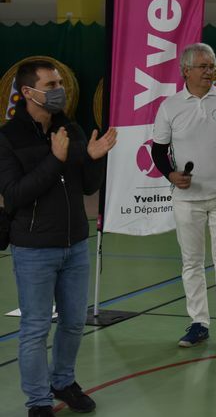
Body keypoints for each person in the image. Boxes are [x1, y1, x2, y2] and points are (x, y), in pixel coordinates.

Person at [0, 59, 117, 417]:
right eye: (51, 85)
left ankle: (63, 381)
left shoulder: (72, 128)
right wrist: (54, 159)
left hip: (75, 245)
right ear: (27, 92)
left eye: (59, 84)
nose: (59, 91)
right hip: (34, 249)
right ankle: (38, 401)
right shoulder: (8, 138)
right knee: (35, 328)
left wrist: (95, 159)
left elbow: (88, 187)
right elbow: (14, 194)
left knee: (73, 322)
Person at [151, 43, 216, 350]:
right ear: (186, 71)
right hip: (186, 200)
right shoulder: (170, 106)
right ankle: (199, 323)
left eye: (212, 66)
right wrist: (171, 175)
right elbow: (158, 150)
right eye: (203, 66)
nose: (209, 71)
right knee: (191, 262)